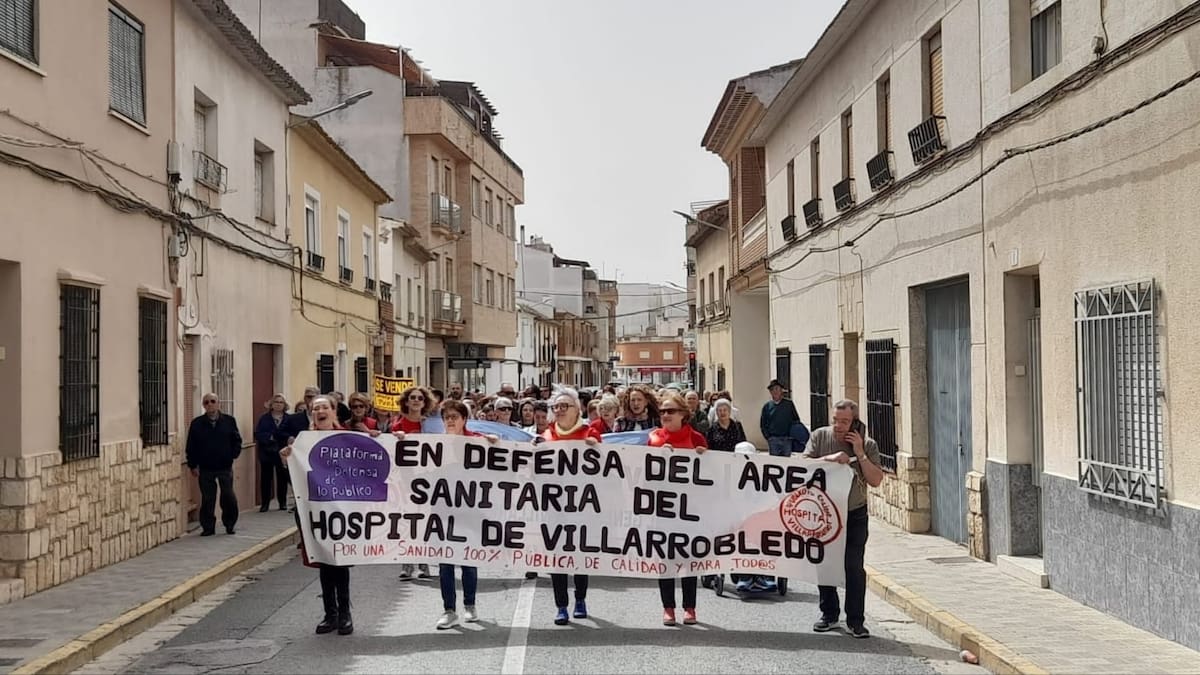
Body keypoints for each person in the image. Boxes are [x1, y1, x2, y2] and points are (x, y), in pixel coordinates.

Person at [397, 400, 499, 630]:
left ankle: (470, 605)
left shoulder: (477, 442)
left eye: (455, 416)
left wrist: (495, 445)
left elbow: (498, 469)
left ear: (464, 419)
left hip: (471, 510)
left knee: (469, 560)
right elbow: (416, 469)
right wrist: (404, 444)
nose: (451, 420)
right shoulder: (434, 445)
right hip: (442, 511)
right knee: (445, 563)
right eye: (447, 417)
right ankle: (449, 610)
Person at [804, 399, 884, 639]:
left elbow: (876, 479)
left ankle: (856, 620)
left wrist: (859, 453)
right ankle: (829, 614)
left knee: (853, 567)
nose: (839, 426)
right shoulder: (819, 437)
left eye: (845, 422)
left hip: (854, 513)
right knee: (825, 564)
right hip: (824, 514)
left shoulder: (868, 445)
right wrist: (829, 459)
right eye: (835, 421)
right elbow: (802, 463)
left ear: (855, 422)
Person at [280, 395, 357, 635]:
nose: (320, 411)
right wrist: (288, 459)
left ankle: (345, 613)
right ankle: (330, 614)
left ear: (334, 412)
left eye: (325, 407)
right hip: (316, 510)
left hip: (343, 510)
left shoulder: (349, 438)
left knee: (339, 562)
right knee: (324, 562)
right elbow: (296, 475)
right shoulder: (304, 441)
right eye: (315, 408)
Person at [540, 388, 601, 625]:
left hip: (583, 505)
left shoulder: (590, 432)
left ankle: (581, 599)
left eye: (565, 406)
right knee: (557, 556)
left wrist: (595, 447)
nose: (560, 411)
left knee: (579, 554)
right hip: (554, 505)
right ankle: (561, 605)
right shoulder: (546, 436)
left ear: (578, 410)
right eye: (556, 407)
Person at [647, 392, 707, 626]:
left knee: (689, 560)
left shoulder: (697, 438)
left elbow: (710, 474)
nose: (665, 415)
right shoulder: (653, 438)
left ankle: (689, 607)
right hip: (662, 508)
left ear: (684, 414)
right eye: (662, 411)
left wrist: (704, 458)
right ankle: (668, 608)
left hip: (690, 510)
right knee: (666, 561)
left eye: (670, 411)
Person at [391, 385, 435, 581]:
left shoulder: (432, 426)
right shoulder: (397, 427)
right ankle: (407, 563)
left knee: (425, 522)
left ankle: (424, 564)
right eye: (413, 398)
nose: (416, 401)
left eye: (420, 398)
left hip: (428, 481)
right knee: (407, 521)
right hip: (404, 480)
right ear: (406, 402)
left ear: (425, 403)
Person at [185, 393, 242, 536]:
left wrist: (232, 455)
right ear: (204, 405)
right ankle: (208, 527)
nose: (210, 404)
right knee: (208, 498)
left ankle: (230, 524)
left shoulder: (229, 421)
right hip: (206, 467)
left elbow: (236, 440)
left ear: (218, 403)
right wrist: (192, 465)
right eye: (206, 402)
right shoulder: (197, 424)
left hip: (224, 466)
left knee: (228, 496)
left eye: (213, 401)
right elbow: (191, 446)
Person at [254, 394, 291, 512]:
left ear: (284, 405)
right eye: (276, 402)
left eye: (281, 402)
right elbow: (258, 433)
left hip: (282, 452)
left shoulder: (289, 419)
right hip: (267, 452)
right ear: (271, 405)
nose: (278, 404)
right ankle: (265, 503)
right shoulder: (264, 418)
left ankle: (282, 502)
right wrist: (269, 437)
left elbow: (290, 433)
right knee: (266, 478)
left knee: (282, 478)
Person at [760, 379, 801, 456]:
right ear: (770, 392)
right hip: (773, 440)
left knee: (786, 462)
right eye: (772, 389)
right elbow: (763, 424)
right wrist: (768, 437)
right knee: (774, 462)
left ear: (781, 390)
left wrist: (792, 435)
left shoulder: (789, 404)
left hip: (787, 439)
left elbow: (796, 420)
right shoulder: (767, 406)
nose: (775, 391)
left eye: (777, 389)